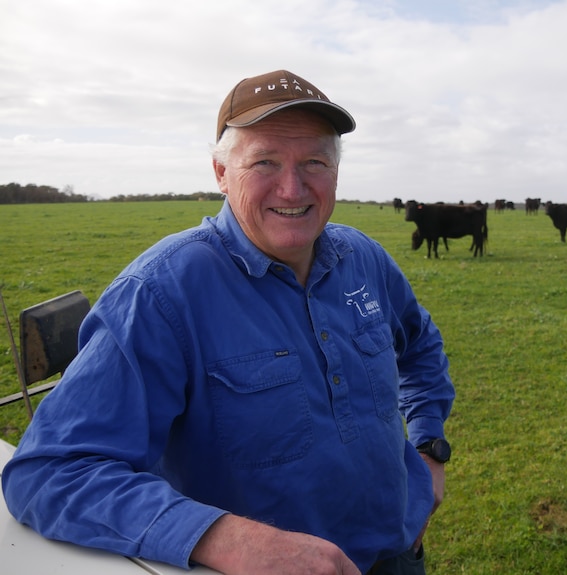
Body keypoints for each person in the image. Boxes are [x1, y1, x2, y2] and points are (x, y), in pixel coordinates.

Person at [1, 69, 455, 575]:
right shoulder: (160, 293)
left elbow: (420, 346)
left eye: (314, 162)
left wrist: (430, 447)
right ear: (220, 172)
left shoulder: (362, 258)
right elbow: (51, 471)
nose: (292, 187)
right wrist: (225, 539)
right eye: (264, 161)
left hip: (398, 553)